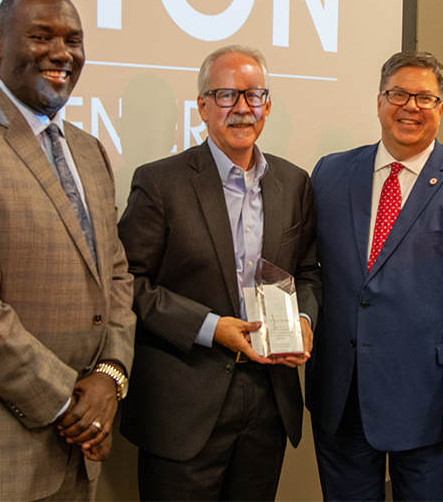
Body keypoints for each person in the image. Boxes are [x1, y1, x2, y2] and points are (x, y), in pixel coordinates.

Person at [306, 50, 443, 501]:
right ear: (379, 102)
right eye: (398, 94)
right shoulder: (331, 172)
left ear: (441, 108)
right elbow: (311, 271)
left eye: (425, 98)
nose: (410, 107)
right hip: (342, 397)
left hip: (431, 402)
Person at [118, 44, 321, 501]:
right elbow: (126, 281)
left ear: (267, 105)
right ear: (203, 106)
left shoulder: (294, 183)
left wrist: (304, 322)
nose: (242, 108)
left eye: (253, 96)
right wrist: (211, 328)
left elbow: (308, 272)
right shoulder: (160, 182)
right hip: (184, 402)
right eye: (226, 95)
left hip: (268, 398)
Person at [0, 0, 136, 501]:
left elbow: (118, 279)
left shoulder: (88, 151)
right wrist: (71, 405)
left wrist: (109, 378)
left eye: (73, 39)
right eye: (41, 37)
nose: (62, 54)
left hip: (79, 452)